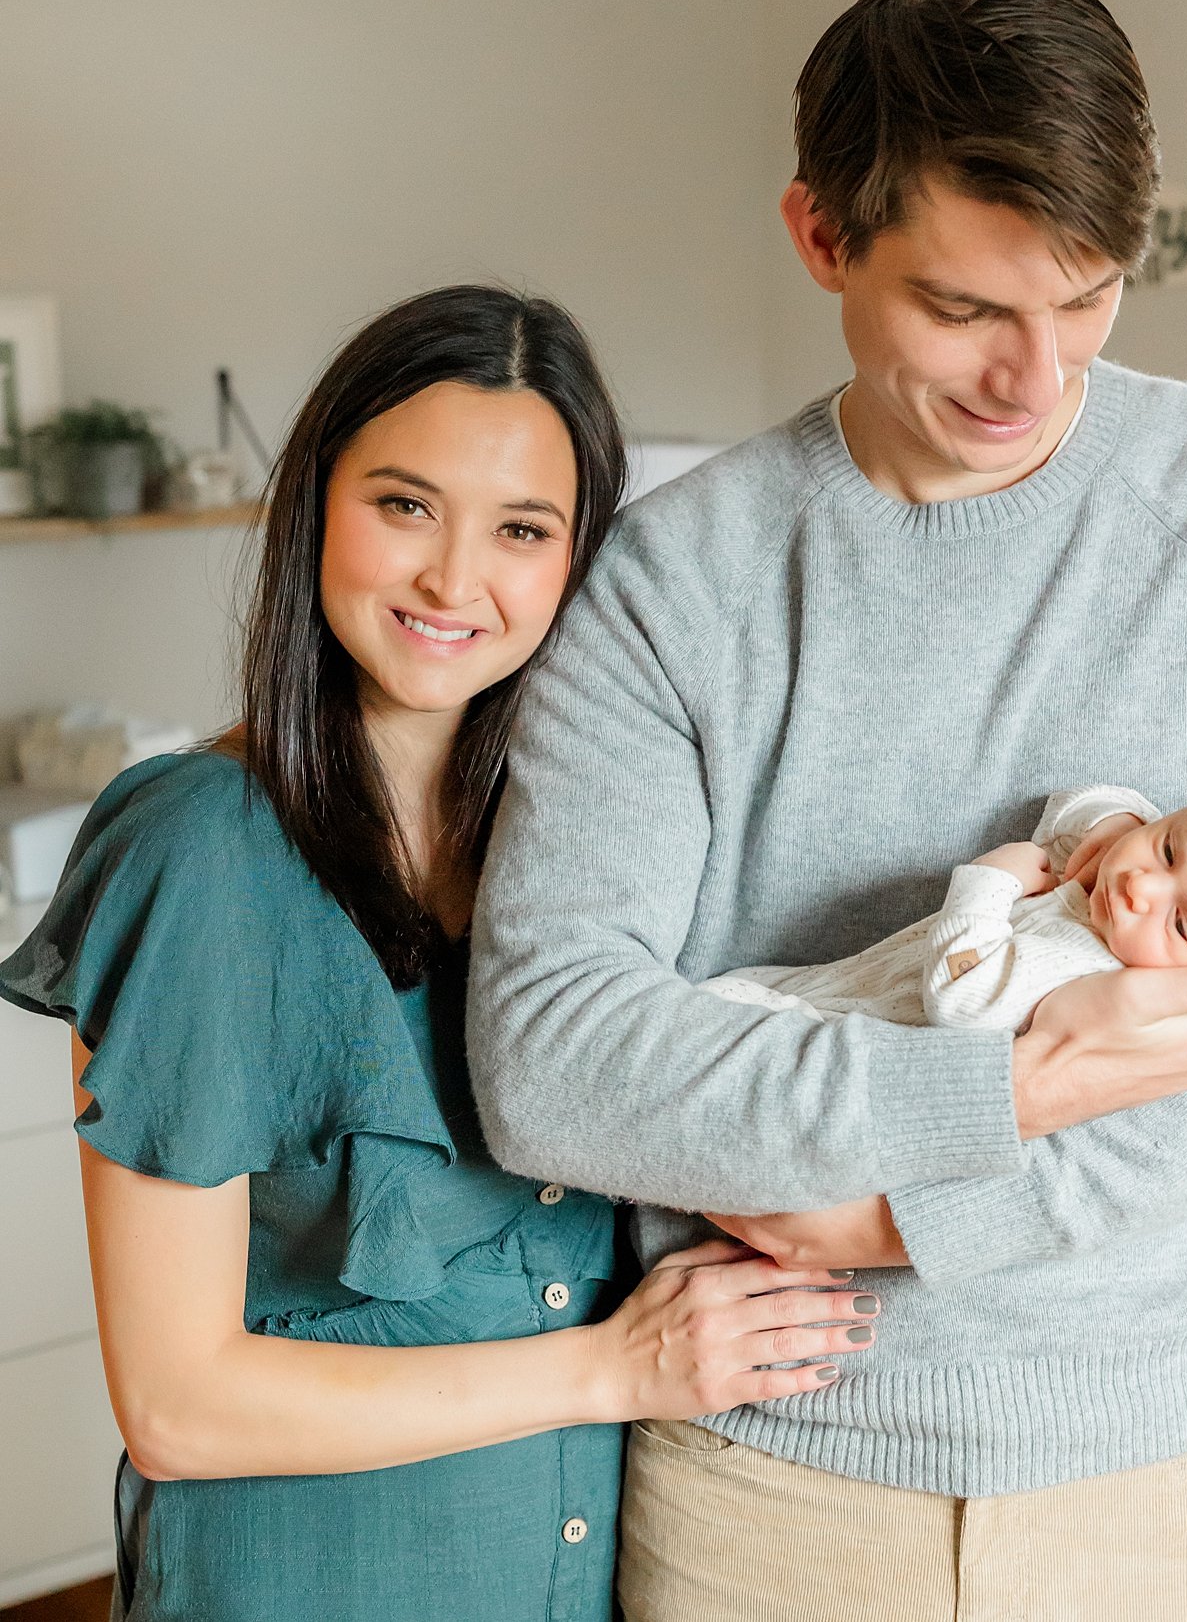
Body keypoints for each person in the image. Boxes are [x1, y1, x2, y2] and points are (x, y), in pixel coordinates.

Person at [468, 0, 1187, 1622]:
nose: (1036, 375)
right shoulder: (671, 582)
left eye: (1087, 298)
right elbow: (555, 1056)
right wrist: (986, 1102)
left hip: (1179, 1488)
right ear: (822, 238)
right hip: (768, 1491)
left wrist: (904, 1223)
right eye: (964, 309)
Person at [0, 285, 881, 1622]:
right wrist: (616, 1370)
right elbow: (179, 1402)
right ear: (317, 505)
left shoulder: (585, 853)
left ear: (578, 558)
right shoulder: (202, 852)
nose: (453, 580)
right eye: (404, 504)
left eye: (522, 529)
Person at [703, 780, 1187, 1032]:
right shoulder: (1122, 887)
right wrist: (1118, 822)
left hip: (832, 1034)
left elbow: (967, 1000)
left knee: (708, 1016)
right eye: (1171, 848)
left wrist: (989, 883)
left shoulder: (1088, 971)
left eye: (1183, 923)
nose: (1140, 887)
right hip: (825, 985)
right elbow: (1082, 807)